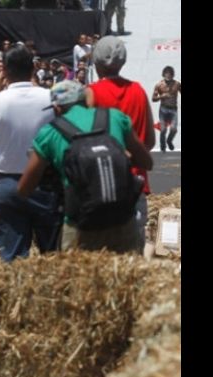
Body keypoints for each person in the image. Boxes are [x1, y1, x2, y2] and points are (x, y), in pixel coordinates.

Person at [17, 80, 153, 254]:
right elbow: (146, 162)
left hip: (79, 227)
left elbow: (24, 188)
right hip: (123, 221)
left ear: (57, 108)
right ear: (86, 101)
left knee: (79, 278)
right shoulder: (115, 117)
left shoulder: (50, 132)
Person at [0, 45, 62, 262]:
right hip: (45, 183)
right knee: (53, 257)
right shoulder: (50, 98)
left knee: (12, 258)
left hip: (8, 184)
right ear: (33, 69)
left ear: (5, 71)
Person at [86, 35, 155, 251]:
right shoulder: (138, 91)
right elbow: (150, 141)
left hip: (101, 182)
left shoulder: (91, 93)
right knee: (135, 246)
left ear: (96, 62)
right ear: (123, 62)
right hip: (135, 180)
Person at [152, 66, 181, 151]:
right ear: (163, 74)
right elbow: (153, 99)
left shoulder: (177, 84)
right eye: (166, 74)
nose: (168, 76)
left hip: (173, 110)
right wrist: (161, 96)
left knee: (174, 129)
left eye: (170, 74)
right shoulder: (159, 85)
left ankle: (169, 141)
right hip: (163, 110)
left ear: (172, 75)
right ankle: (163, 145)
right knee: (163, 129)